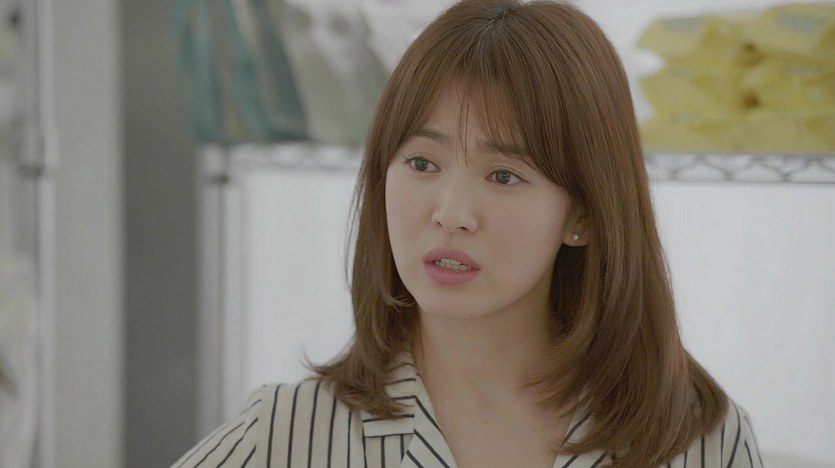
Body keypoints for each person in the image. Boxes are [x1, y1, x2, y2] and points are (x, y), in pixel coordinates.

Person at [174, 1, 763, 466]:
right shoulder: (286, 437)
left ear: (583, 215)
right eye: (422, 163)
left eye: (504, 175)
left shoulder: (699, 441)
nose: (452, 213)